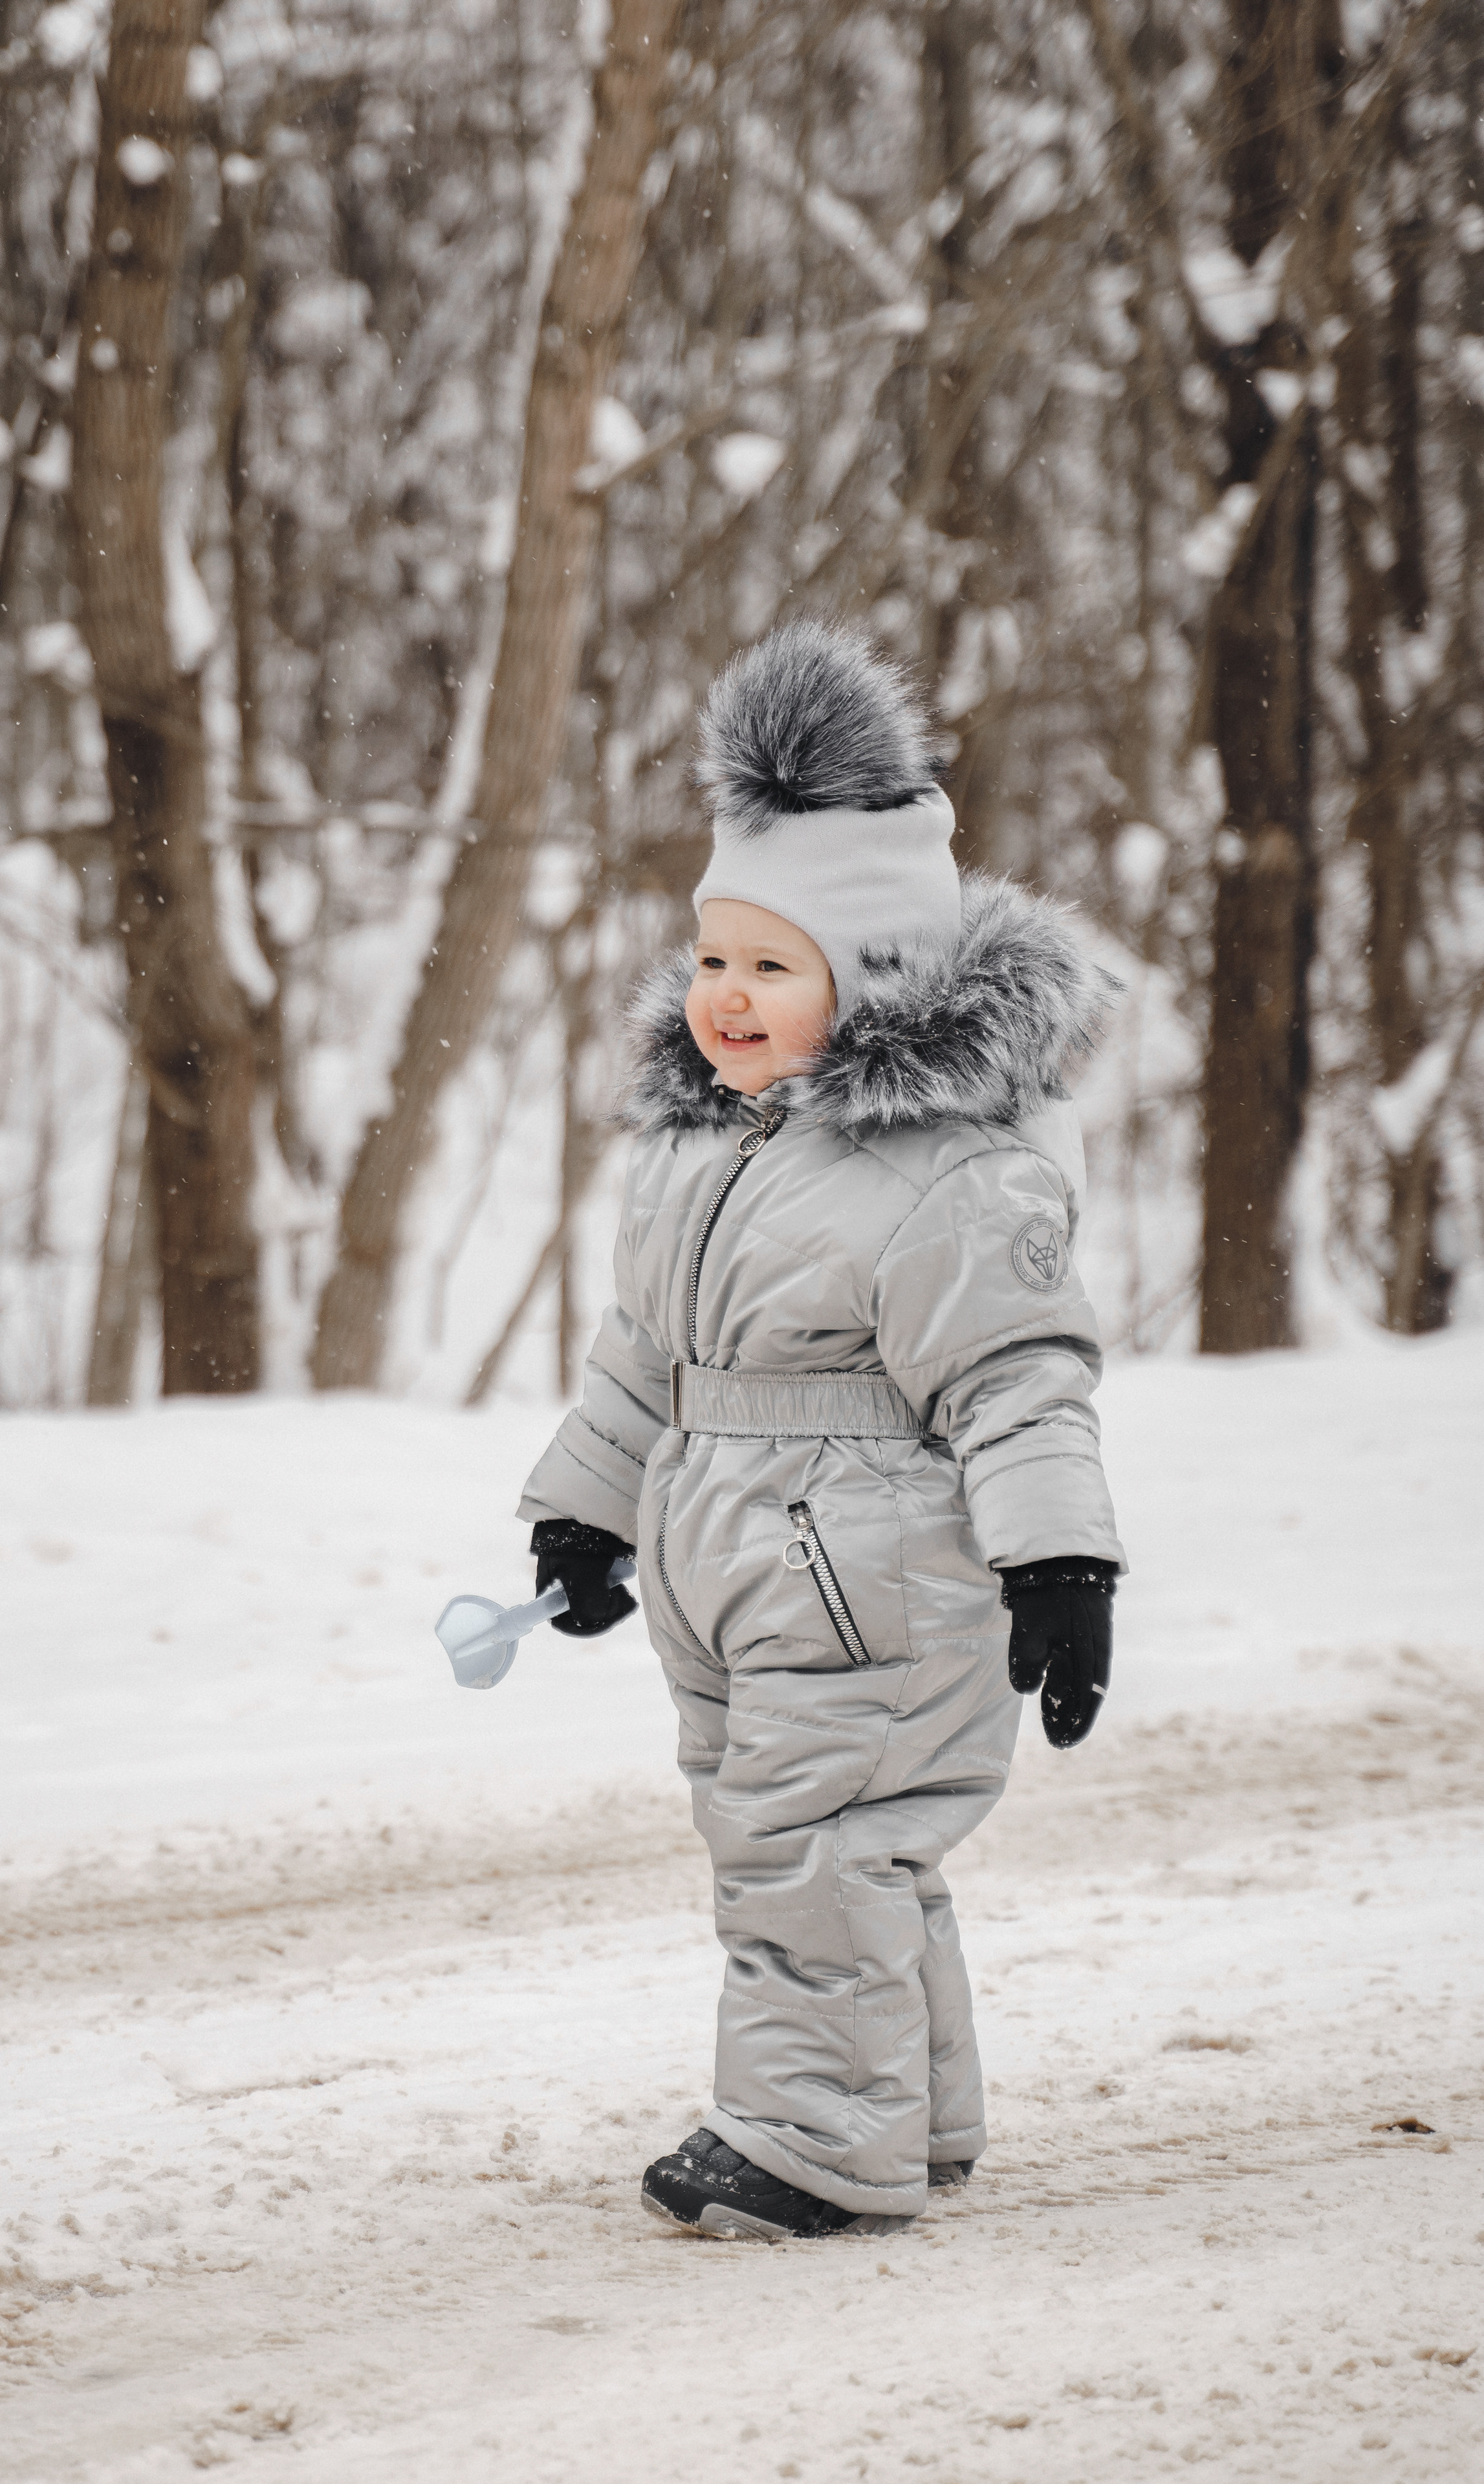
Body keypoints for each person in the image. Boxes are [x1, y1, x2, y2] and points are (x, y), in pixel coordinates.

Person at [516, 618, 1125, 2242]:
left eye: (771, 966)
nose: (723, 995)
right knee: (817, 1846)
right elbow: (646, 1352)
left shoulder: (952, 1171)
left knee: (812, 1852)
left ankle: (806, 2144)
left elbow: (1019, 1382)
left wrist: (1060, 1559)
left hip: (876, 1568)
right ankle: (904, 2117)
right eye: (713, 956)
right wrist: (581, 1510)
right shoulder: (697, 1147)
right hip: (736, 1560)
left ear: (878, 987)